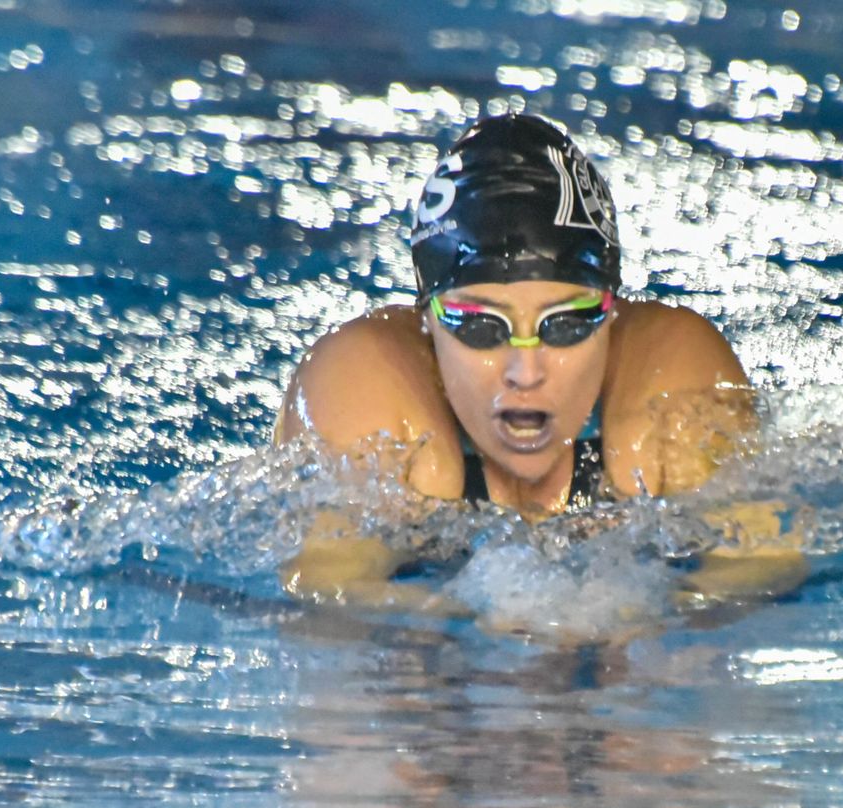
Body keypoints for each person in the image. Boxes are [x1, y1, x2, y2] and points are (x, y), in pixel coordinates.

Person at [274, 113, 799, 608]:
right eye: (479, 327)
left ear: (612, 314)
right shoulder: (367, 397)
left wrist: (638, 614)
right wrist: (468, 619)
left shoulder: (673, 396)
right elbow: (325, 592)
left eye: (567, 324)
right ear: (428, 320)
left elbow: (765, 564)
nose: (525, 372)